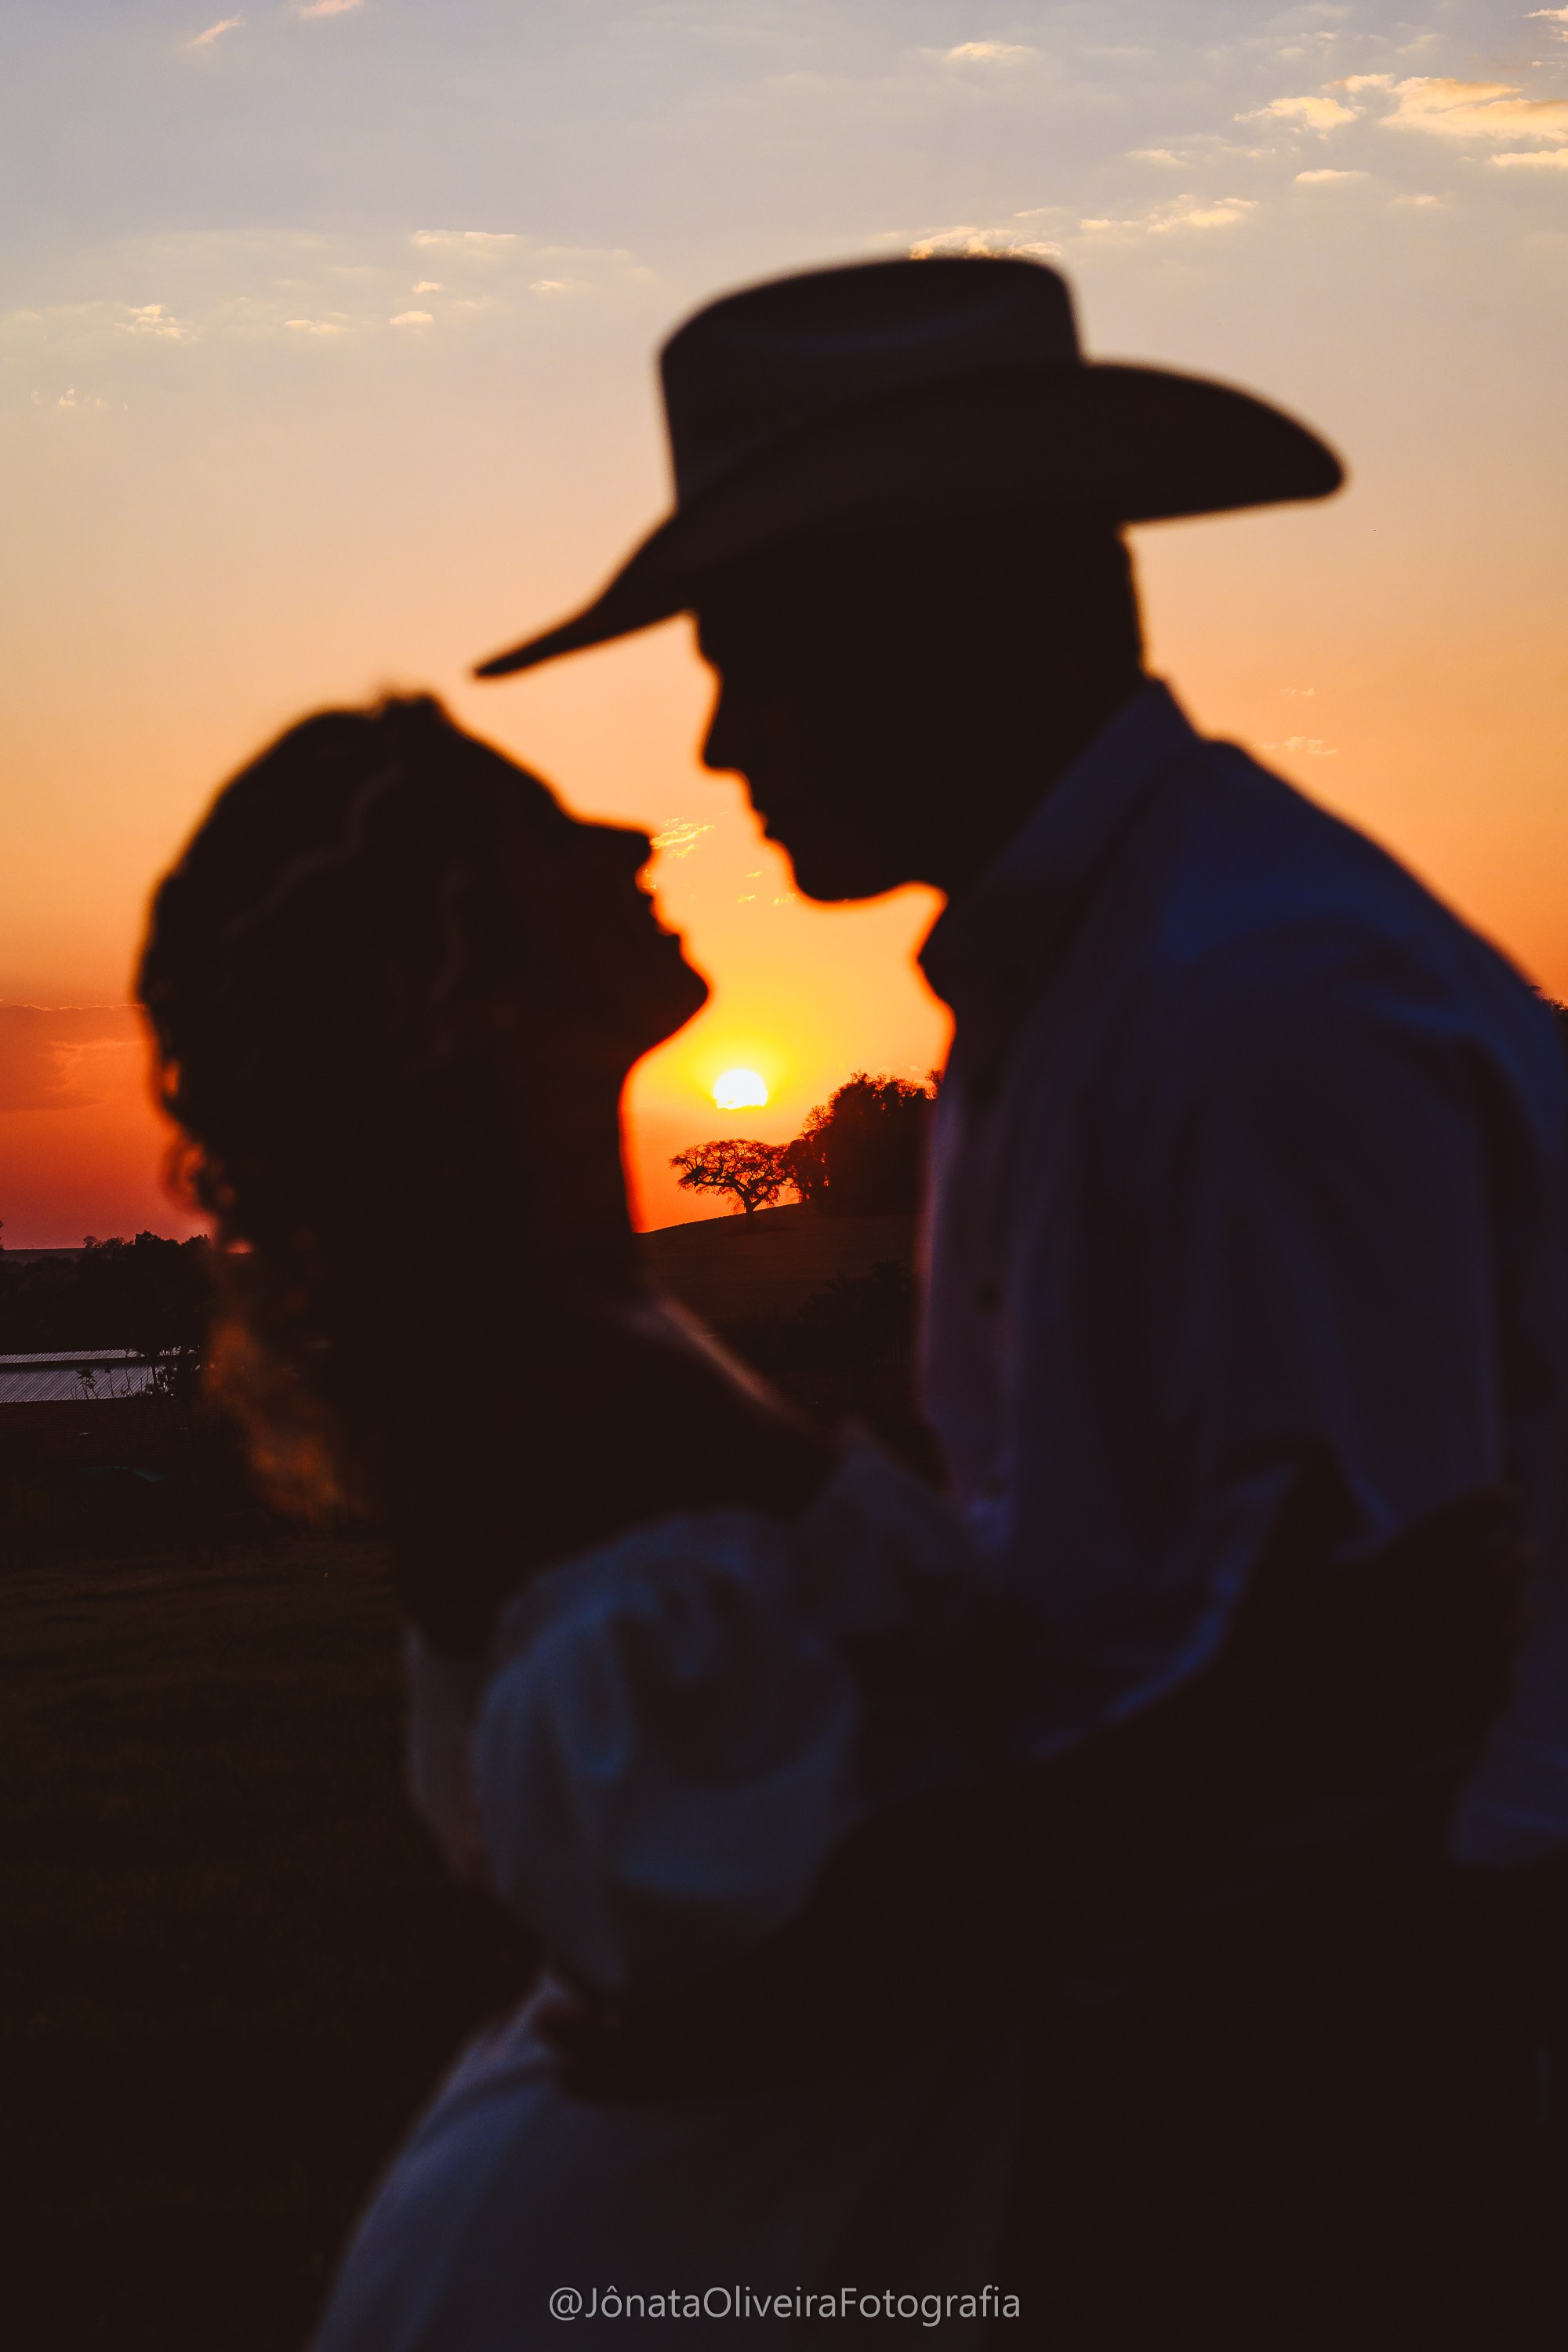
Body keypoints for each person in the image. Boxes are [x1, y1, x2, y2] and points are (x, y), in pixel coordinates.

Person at [476, 256, 1568, 2344]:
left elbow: (1359, 1717)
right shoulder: (1082, 993)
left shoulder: (1249, 1015)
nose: (713, 742)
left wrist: (816, 1986)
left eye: (757, 658)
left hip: (1348, 2084)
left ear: (962, 619)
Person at [137, 694, 1024, 2347]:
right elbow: (769, 1980)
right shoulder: (538, 1396)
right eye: (547, 828)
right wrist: (1269, 1725)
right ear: (459, 967)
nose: (627, 836)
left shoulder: (598, 1322)